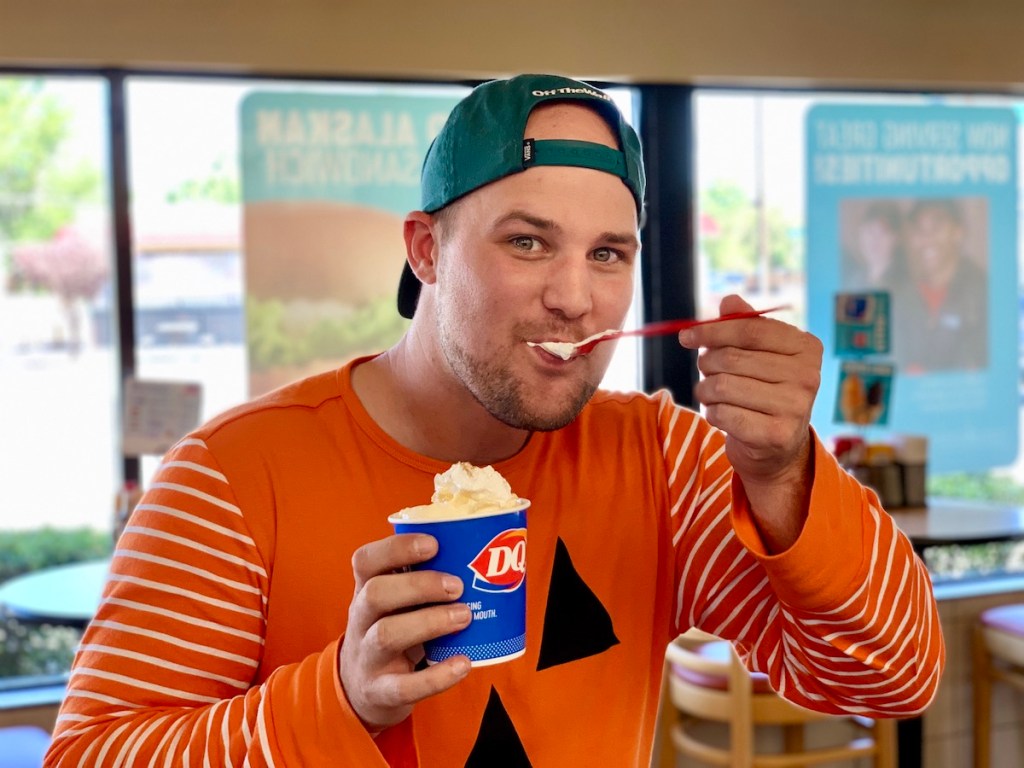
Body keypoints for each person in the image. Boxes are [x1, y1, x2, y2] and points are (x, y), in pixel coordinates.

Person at [44, 74, 944, 767]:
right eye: (527, 241)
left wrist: (785, 472)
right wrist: (340, 703)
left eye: (608, 253)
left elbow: (894, 679)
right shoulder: (232, 478)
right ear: (426, 250)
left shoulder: (660, 460)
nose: (574, 297)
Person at [893, 197, 988, 372]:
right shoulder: (903, 297)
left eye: (936, 228)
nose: (927, 239)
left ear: (958, 233)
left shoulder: (983, 293)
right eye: (920, 231)